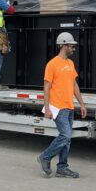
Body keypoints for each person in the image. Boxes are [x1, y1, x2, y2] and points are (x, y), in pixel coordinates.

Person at [38, 32, 87, 179]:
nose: (73, 48)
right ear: (63, 45)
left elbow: (74, 85)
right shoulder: (52, 64)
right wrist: (47, 108)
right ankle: (45, 157)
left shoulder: (70, 64)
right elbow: (46, 87)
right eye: (71, 45)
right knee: (65, 136)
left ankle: (62, 168)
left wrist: (82, 104)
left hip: (69, 106)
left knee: (67, 139)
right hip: (58, 107)